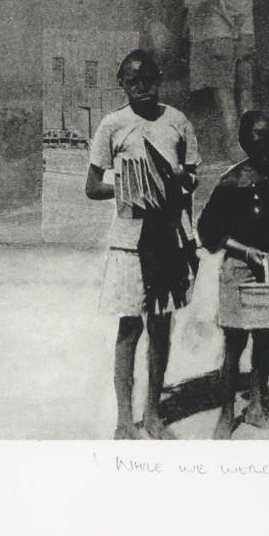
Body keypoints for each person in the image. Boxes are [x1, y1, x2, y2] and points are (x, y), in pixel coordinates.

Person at [86, 50, 199, 440]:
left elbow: (191, 184)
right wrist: (129, 187)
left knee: (161, 327)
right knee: (129, 328)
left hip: (167, 239)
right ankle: (123, 419)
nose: (142, 87)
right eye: (133, 82)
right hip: (129, 242)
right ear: (122, 84)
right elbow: (92, 186)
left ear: (159, 79)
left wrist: (182, 182)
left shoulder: (178, 122)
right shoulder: (112, 124)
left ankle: (152, 414)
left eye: (148, 79)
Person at [197, 111, 269, 440]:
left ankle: (257, 408)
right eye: (257, 140)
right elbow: (208, 231)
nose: (266, 147)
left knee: (264, 341)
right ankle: (226, 414)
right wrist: (245, 251)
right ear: (242, 142)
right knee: (235, 344)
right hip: (238, 270)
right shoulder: (230, 182)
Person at [170, 0, 255, 152]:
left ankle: (249, 136)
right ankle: (232, 137)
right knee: (222, 71)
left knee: (244, 70)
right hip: (207, 0)